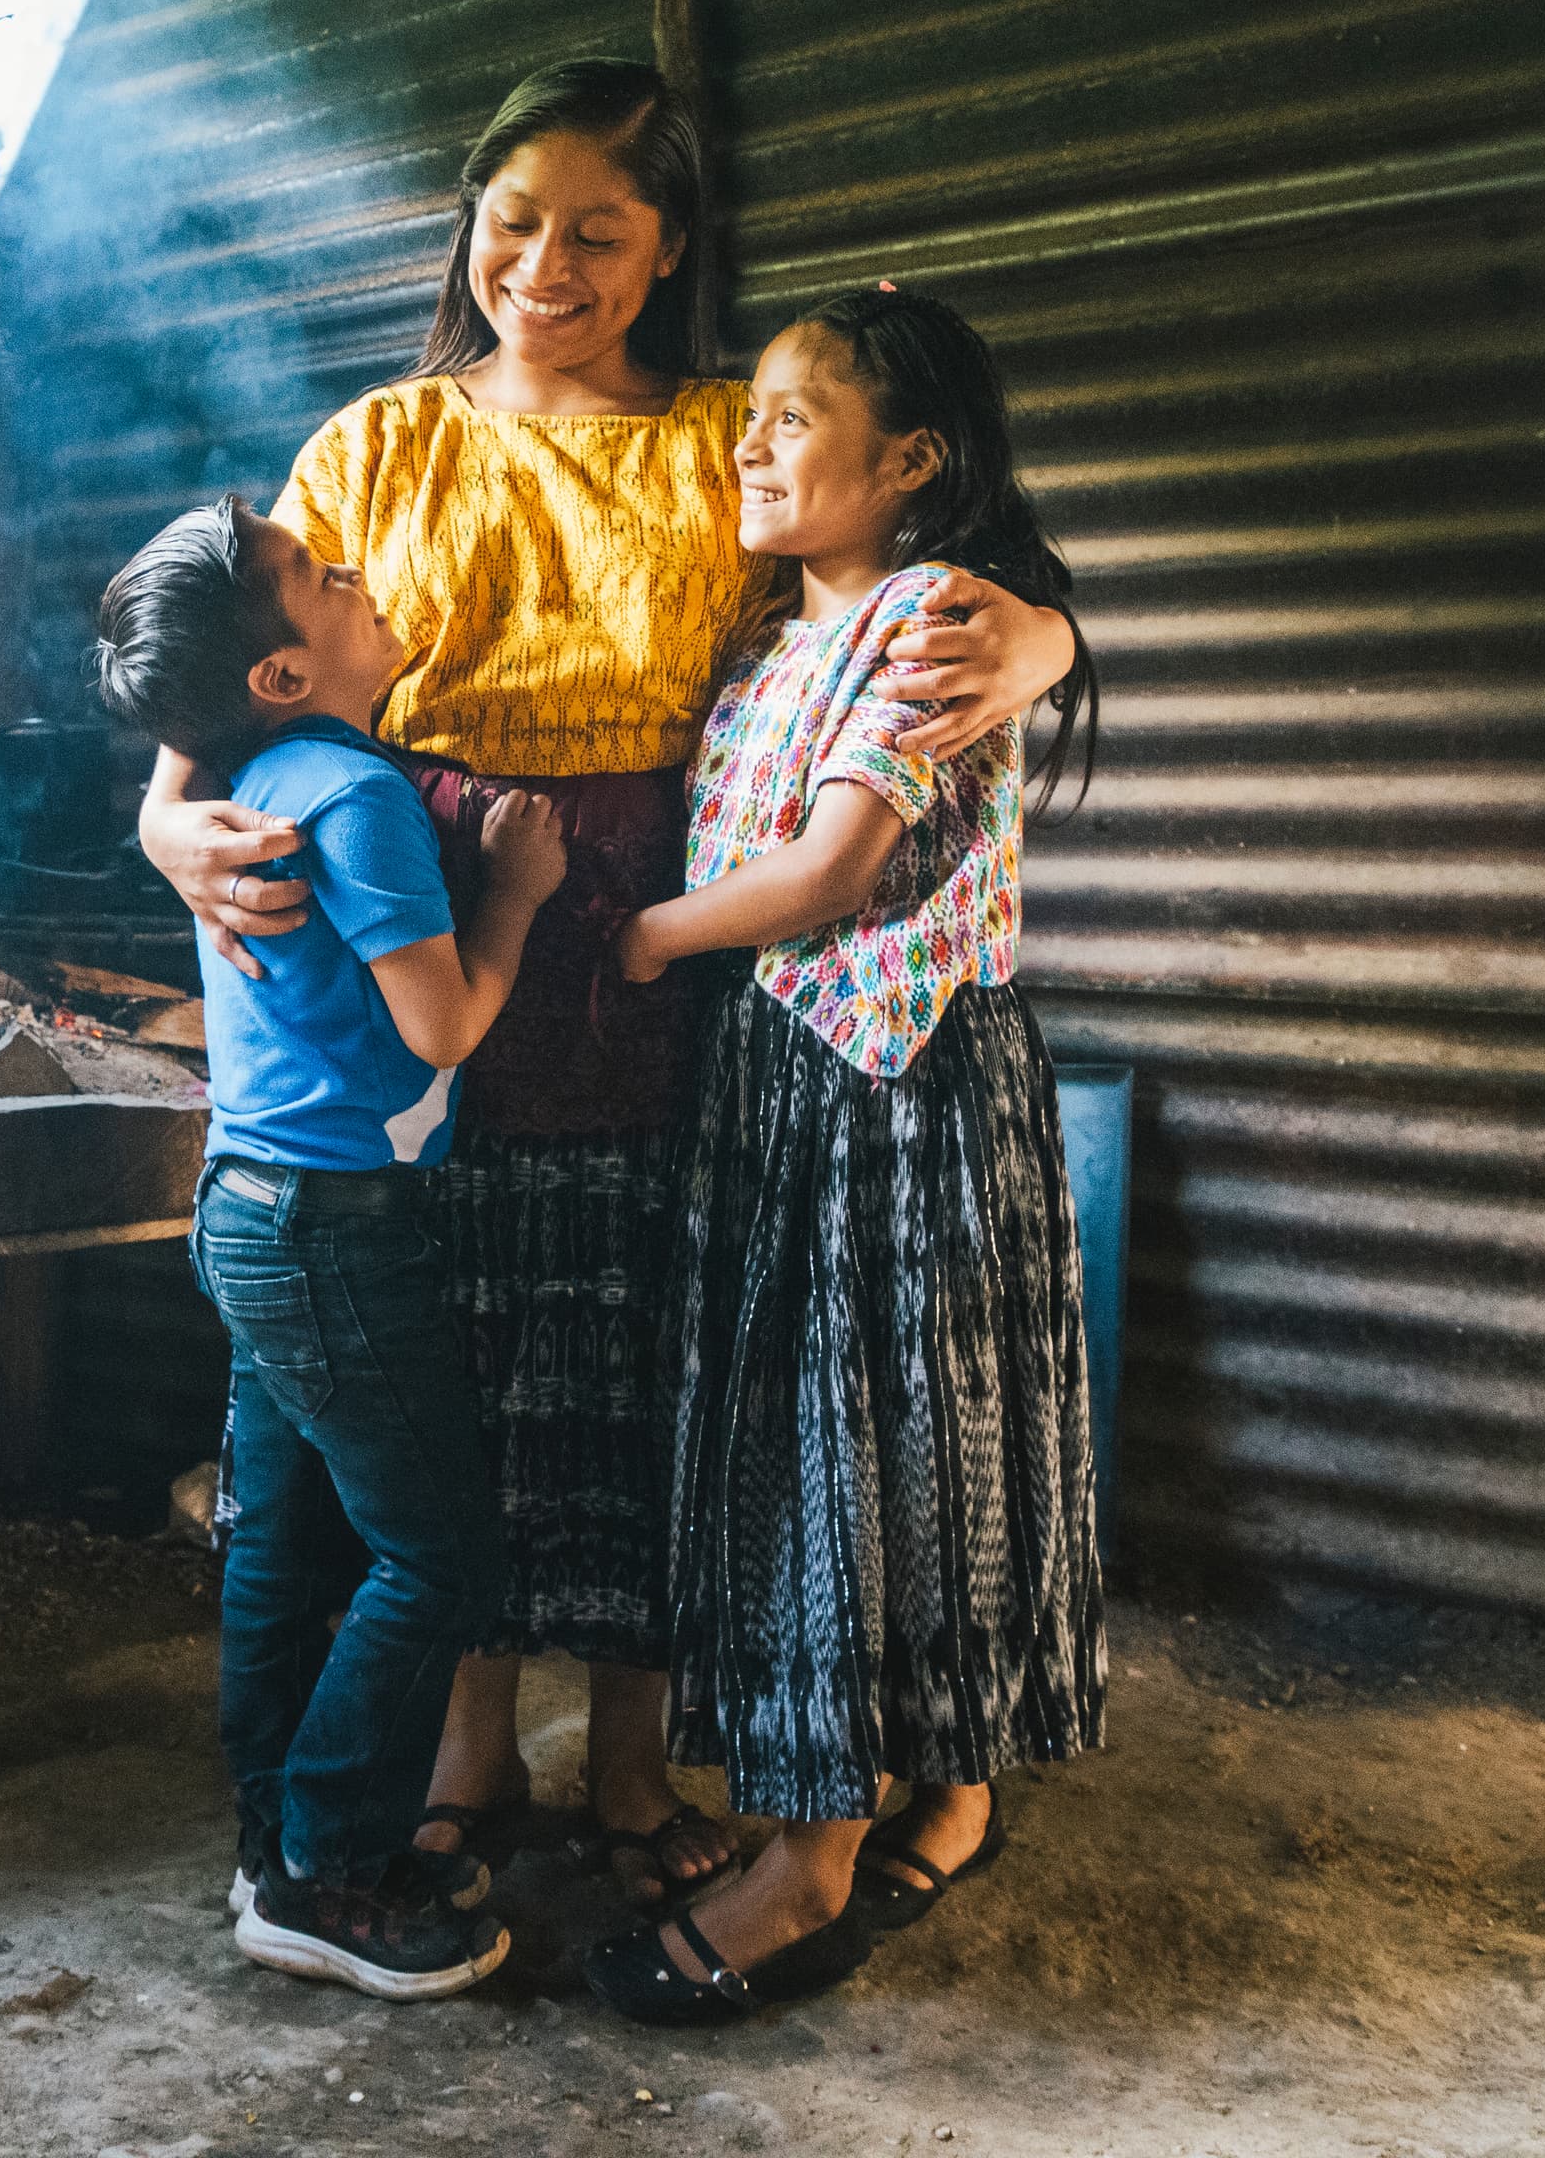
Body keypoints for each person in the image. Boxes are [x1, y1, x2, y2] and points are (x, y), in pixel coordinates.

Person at [136, 60, 1081, 1907]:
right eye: (513, 220)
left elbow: (932, 584)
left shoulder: (736, 437)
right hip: (433, 913)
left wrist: (1041, 641)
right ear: (466, 225)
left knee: (666, 1339)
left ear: (664, 257)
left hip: (682, 928)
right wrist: (165, 832)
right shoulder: (379, 446)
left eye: (599, 232)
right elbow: (218, 701)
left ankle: (635, 1765)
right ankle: (474, 1750)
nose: (544, 264)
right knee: (468, 1339)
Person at [577, 287, 1106, 2025]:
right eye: (757, 411)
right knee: (891, 1445)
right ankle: (945, 1792)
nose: (752, 440)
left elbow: (828, 877)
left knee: (852, 1454)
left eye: (796, 417)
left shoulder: (934, 618)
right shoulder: (770, 637)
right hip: (801, 1087)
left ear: (914, 464)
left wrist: (644, 941)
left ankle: (816, 1861)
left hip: (903, 1090)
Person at [93, 492, 568, 2002]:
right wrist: (517, 892)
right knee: (442, 1552)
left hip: (248, 1210)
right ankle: (332, 1874)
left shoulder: (269, 775)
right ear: (282, 672)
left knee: (285, 1545)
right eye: (319, 576)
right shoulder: (352, 800)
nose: (357, 576)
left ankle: (276, 1850)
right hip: (328, 1228)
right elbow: (444, 1023)